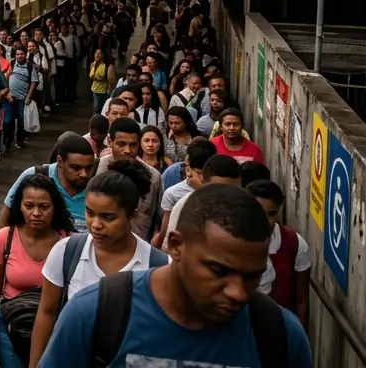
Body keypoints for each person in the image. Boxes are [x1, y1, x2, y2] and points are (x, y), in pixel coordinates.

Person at [38, 184, 312, 368]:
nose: (238, 293)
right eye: (218, 270)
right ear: (177, 246)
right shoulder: (95, 314)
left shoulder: (279, 334)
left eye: (252, 276)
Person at [29, 159, 166, 364]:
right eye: (90, 213)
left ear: (132, 216)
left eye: (108, 218)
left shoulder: (158, 266)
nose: (95, 225)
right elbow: (47, 314)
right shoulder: (66, 252)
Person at [0, 172, 74, 368]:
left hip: (53, 331)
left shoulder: (69, 243)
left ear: (54, 208)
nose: (36, 213)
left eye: (44, 207)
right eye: (29, 206)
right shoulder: (4, 239)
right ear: (20, 206)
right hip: (9, 328)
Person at [0, 132, 95, 235]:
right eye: (76, 168)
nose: (84, 174)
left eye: (89, 168)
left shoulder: (98, 187)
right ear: (60, 161)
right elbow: (7, 214)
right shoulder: (34, 176)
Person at [245, 179, 310, 323]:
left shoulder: (295, 243)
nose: (266, 220)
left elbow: (301, 299)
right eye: (259, 213)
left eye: (271, 213)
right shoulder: (230, 241)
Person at [96, 118, 164, 242]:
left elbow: (161, 220)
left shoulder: (153, 177)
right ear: (110, 142)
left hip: (139, 249)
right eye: (121, 144)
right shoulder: (96, 169)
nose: (127, 150)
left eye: (133, 145)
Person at [162, 153, 243, 251]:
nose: (226, 196)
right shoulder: (185, 206)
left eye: (233, 190)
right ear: (204, 181)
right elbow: (170, 249)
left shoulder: (246, 209)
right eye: (218, 190)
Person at [87, 49, 112, 115]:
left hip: (103, 91)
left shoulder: (107, 66)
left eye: (99, 53)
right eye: (96, 53)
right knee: (96, 108)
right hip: (94, 90)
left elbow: (111, 80)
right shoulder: (93, 64)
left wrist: (109, 91)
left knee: (99, 108)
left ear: (103, 55)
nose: (97, 55)